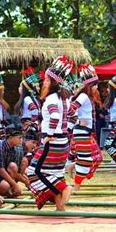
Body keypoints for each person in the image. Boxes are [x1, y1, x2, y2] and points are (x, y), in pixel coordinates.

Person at [26, 55, 73, 211]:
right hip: (62, 141)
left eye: (46, 79)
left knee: (33, 172)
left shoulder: (52, 98)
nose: (43, 82)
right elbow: (73, 115)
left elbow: (54, 116)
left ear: (52, 82)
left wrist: (49, 135)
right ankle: (60, 207)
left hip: (53, 141)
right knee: (55, 173)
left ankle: (65, 188)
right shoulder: (65, 98)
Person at [67, 64, 103, 190]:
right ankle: (76, 186)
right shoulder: (83, 96)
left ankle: (72, 166)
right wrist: (78, 120)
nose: (97, 88)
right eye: (95, 85)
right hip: (81, 131)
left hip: (85, 131)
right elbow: (70, 109)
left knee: (97, 156)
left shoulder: (87, 97)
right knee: (86, 159)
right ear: (89, 86)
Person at [0, 124, 25, 197]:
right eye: (19, 138)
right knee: (5, 187)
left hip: (1, 172)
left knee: (13, 166)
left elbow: (15, 170)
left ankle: (11, 189)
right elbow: (0, 170)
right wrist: (15, 184)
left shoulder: (16, 148)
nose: (21, 140)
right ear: (10, 137)